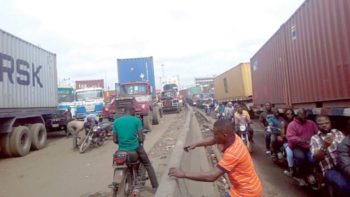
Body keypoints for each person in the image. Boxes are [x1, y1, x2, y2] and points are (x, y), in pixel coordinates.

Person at [168, 119, 262, 197]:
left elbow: (211, 176)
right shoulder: (232, 137)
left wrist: (183, 173)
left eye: (216, 134)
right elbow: (213, 140)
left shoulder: (233, 153)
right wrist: (196, 144)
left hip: (247, 193)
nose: (214, 136)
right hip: (246, 186)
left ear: (224, 135)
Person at [112, 106, 159, 191]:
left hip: (121, 150)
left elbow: (115, 140)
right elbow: (141, 138)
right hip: (135, 148)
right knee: (147, 164)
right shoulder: (136, 120)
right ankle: (155, 187)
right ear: (132, 112)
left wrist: (122, 142)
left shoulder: (116, 122)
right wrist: (138, 139)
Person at [310, 115, 350, 195]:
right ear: (317, 125)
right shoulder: (314, 138)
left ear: (330, 123)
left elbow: (346, 147)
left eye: (326, 123)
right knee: (345, 186)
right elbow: (316, 158)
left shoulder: (337, 132)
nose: (324, 125)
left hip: (344, 164)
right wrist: (324, 146)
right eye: (321, 123)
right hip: (330, 169)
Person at [286, 109, 318, 176]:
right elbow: (290, 137)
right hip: (297, 146)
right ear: (297, 115)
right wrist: (301, 140)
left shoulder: (311, 123)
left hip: (309, 145)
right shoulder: (291, 125)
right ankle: (298, 172)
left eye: (305, 115)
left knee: (313, 159)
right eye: (302, 115)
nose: (304, 117)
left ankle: (312, 172)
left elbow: (317, 132)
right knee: (300, 157)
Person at [281, 108, 296, 176]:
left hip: (296, 141)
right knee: (290, 154)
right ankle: (291, 169)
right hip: (287, 142)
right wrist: (290, 137)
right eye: (288, 114)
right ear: (285, 115)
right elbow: (282, 134)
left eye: (291, 113)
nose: (290, 115)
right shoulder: (283, 122)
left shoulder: (296, 121)